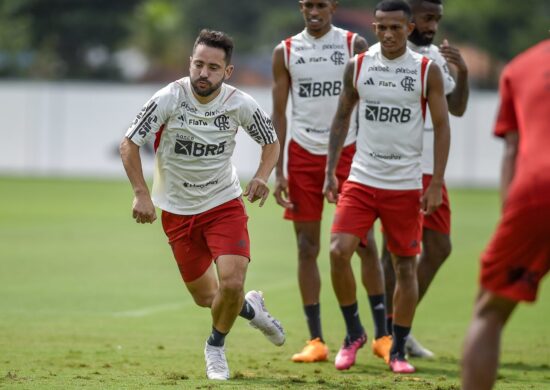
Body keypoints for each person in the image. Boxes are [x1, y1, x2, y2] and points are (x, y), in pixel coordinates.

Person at [119, 29, 285, 381]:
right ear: (190, 64)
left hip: (223, 203)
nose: (203, 73)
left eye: (213, 67)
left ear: (227, 72)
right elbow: (129, 144)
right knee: (209, 299)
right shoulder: (169, 97)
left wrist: (260, 176)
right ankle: (253, 311)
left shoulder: (239, 103)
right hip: (177, 212)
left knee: (231, 284)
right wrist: (141, 193)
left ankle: (215, 346)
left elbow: (271, 142)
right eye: (198, 64)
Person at [324, 0, 450, 373]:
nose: (389, 34)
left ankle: (397, 350)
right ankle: (353, 334)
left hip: (405, 184)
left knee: (405, 267)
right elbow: (342, 116)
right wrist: (332, 169)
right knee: (337, 251)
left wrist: (436, 183)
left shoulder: (426, 70)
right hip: (362, 178)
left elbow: (443, 126)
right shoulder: (359, 65)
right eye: (382, 27)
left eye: (396, 27)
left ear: (409, 28)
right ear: (374, 28)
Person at [271, 0, 391, 364]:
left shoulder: (354, 44)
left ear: (333, 6)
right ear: (301, 7)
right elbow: (279, 111)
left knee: (365, 244)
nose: (314, 11)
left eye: (321, 4)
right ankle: (316, 340)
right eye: (308, 4)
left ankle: (383, 335)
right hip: (303, 155)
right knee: (307, 247)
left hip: (350, 154)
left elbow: (370, 98)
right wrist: (280, 168)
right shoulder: (286, 51)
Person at [366, 0, 469, 358]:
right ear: (409, 20)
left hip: (428, 167)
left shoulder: (435, 59)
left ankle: (400, 327)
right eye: (427, 18)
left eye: (437, 19)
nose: (433, 25)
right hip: (396, 166)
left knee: (439, 246)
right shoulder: (387, 53)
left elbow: (456, 109)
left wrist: (464, 72)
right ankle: (389, 332)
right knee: (394, 253)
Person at [461, 39, 550, 390]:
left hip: (537, 193)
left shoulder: (520, 66)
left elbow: (512, 148)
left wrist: (510, 218)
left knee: (489, 310)